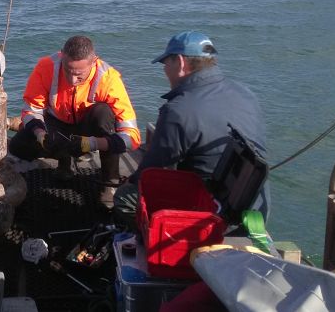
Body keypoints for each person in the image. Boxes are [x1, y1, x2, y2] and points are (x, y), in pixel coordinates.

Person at [113, 30, 269, 230]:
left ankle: (148, 245)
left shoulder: (178, 110)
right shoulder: (245, 93)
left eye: (165, 63)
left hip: (210, 211)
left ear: (179, 62)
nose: (164, 70)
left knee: (126, 197)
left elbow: (151, 173)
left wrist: (129, 181)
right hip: (253, 209)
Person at [9, 35, 141, 209]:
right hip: (56, 125)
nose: (72, 80)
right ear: (62, 56)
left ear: (94, 62)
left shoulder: (109, 79)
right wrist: (41, 134)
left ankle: (109, 183)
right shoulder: (46, 67)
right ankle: (64, 159)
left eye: (79, 75)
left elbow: (132, 137)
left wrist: (92, 143)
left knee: (103, 113)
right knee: (18, 146)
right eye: (68, 71)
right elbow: (31, 110)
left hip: (89, 130)